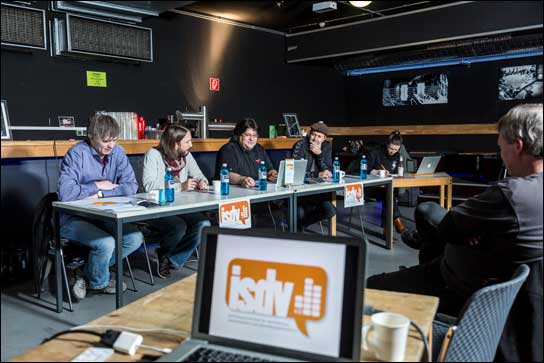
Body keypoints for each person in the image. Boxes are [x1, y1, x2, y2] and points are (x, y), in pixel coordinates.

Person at [367, 104, 542, 329]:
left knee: (371, 284)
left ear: (517, 146)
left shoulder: (512, 195)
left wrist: (473, 233)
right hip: (503, 293)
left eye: (501, 149)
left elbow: (449, 227)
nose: (501, 156)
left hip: (459, 285)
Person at [57, 113, 144, 297]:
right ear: (91, 137)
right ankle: (98, 282)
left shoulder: (117, 152)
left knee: (134, 238)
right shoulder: (76, 154)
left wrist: (101, 193)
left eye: (114, 140)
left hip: (103, 215)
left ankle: (87, 274)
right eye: (105, 141)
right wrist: (96, 185)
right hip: (73, 219)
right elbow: (66, 194)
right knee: (106, 243)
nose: (111, 145)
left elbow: (131, 187)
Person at [142, 124, 211, 278]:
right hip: (157, 208)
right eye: (187, 142)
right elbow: (149, 186)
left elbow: (199, 174)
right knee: (178, 226)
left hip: (181, 207)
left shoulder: (186, 156)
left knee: (203, 224)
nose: (191, 145)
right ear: (175, 144)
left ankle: (172, 258)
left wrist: (202, 182)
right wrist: (180, 186)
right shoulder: (153, 155)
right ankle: (165, 253)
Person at [215, 118, 279, 227]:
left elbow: (269, 169)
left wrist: (273, 174)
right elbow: (227, 175)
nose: (251, 139)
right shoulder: (228, 149)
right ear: (239, 135)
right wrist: (242, 179)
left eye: (254, 135)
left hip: (259, 197)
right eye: (247, 135)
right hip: (235, 200)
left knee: (279, 213)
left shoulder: (259, 149)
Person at [347, 130, 407, 237]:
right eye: (391, 148)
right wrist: (376, 171)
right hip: (370, 187)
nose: (392, 152)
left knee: (388, 193)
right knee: (388, 194)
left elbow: (394, 171)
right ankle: (396, 221)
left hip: (386, 187)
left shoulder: (397, 155)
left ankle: (387, 230)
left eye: (396, 150)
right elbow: (362, 169)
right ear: (387, 144)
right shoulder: (375, 152)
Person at [291, 121, 336, 229]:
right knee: (299, 213)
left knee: (330, 210)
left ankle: (301, 226)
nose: (315, 139)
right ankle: (297, 231)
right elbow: (295, 172)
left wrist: (319, 154)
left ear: (324, 138)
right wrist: (316, 174)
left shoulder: (327, 147)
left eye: (319, 136)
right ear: (309, 134)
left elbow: (328, 170)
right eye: (313, 134)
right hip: (300, 192)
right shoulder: (300, 145)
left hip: (318, 192)